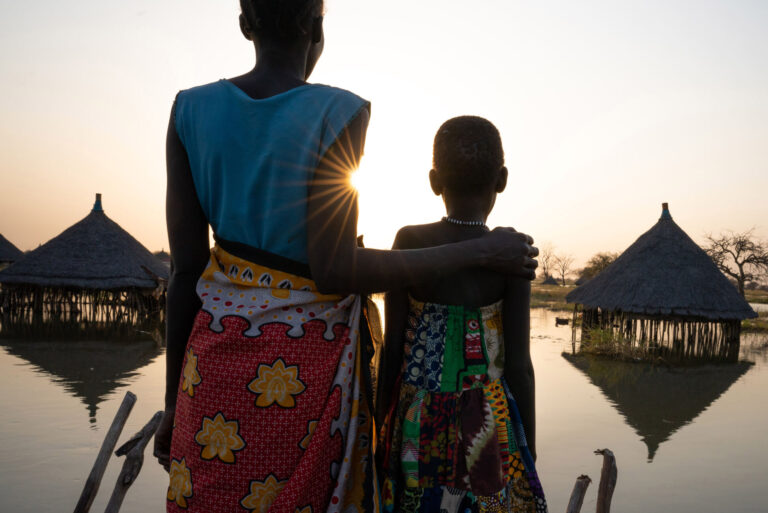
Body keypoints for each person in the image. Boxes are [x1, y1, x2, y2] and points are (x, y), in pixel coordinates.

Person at [153, 1, 539, 511]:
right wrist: (480, 247)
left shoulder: (189, 110)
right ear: (317, 26)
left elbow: (185, 274)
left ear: (245, 24)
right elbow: (335, 270)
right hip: (304, 377)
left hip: (213, 371)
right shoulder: (341, 112)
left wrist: (171, 403)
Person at [376, 116, 548, 513]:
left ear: (435, 181)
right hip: (487, 426)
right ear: (502, 179)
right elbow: (519, 367)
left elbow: (391, 350)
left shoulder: (410, 241)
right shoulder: (511, 254)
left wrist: (382, 427)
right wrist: (529, 450)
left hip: (419, 419)